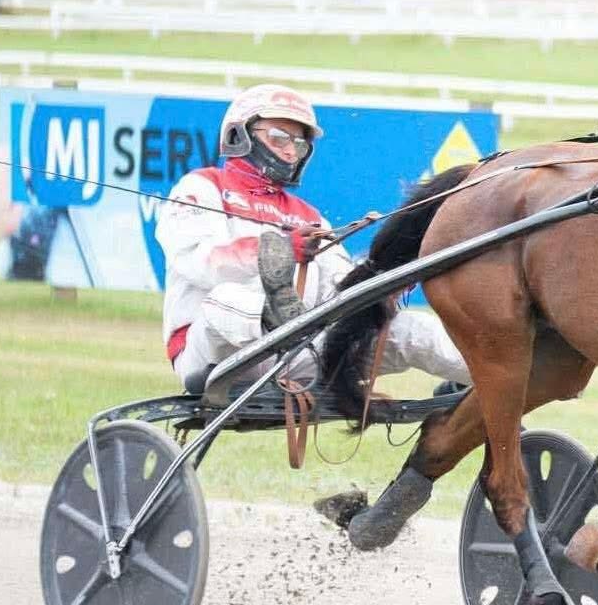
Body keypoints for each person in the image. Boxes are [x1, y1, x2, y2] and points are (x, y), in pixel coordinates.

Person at [156, 83, 469, 395]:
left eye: (299, 144)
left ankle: (508, 378)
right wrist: (280, 252)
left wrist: (384, 284)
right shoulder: (201, 186)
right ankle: (273, 317)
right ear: (240, 135)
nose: (291, 151)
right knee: (225, 296)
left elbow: (337, 290)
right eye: (279, 138)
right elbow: (202, 262)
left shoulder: (308, 216)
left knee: (415, 329)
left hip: (298, 352)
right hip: (212, 351)